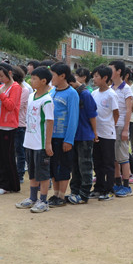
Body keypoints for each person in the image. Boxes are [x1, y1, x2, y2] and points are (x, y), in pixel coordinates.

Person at [15, 66, 54, 213]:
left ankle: (43, 200)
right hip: (29, 141)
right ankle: (32, 198)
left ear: (43, 81)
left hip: (41, 143)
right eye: (31, 78)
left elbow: (50, 122)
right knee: (32, 171)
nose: (31, 81)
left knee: (42, 173)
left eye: (34, 78)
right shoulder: (32, 96)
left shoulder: (47, 100)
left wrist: (48, 143)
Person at [48, 62, 79, 206]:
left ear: (62, 76)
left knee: (63, 166)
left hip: (63, 137)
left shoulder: (72, 93)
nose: (51, 78)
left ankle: (61, 196)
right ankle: (55, 194)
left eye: (53, 75)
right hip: (51, 136)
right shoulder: (52, 91)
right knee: (53, 166)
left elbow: (73, 118)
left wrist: (69, 140)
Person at [67, 70, 98, 204]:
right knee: (75, 166)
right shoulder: (73, 92)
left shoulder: (85, 94)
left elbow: (92, 115)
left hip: (85, 135)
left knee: (85, 165)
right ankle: (75, 191)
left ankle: (84, 193)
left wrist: (95, 133)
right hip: (74, 135)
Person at [0, 63, 22, 194]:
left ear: (10, 73)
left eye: (2, 76)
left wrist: (1, 94)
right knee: (0, 156)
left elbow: (11, 105)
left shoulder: (15, 87)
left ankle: (10, 185)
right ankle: (4, 184)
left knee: (8, 156)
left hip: (8, 126)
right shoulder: (0, 86)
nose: (0, 78)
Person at [90, 65, 119, 201]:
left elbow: (116, 113)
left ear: (105, 78)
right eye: (94, 76)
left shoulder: (111, 94)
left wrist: (110, 126)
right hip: (96, 133)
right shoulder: (94, 93)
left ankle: (109, 190)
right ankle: (98, 188)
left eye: (97, 76)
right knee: (97, 162)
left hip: (107, 133)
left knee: (108, 163)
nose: (94, 79)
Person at [108, 60, 133, 197]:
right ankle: (117, 183)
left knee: (123, 157)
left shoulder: (126, 89)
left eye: (111, 69)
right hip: (111, 126)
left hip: (121, 125)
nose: (109, 72)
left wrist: (125, 129)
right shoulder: (110, 88)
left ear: (119, 71)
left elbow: (128, 110)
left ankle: (126, 186)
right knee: (114, 157)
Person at [13, 65, 31, 184]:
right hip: (10, 124)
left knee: (20, 151)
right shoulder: (9, 88)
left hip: (20, 124)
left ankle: (20, 174)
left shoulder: (24, 90)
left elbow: (16, 107)